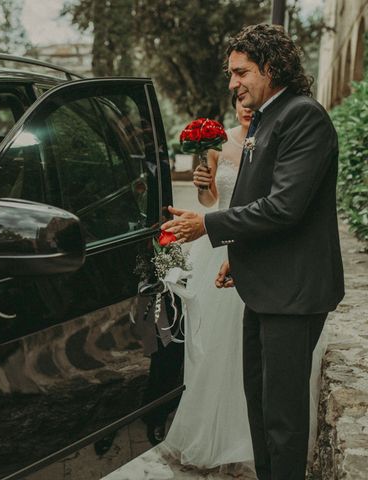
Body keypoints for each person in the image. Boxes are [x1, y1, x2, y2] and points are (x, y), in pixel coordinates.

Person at [161, 24, 344, 480]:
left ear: (272, 66)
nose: (232, 84)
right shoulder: (265, 117)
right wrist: (238, 257)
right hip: (264, 286)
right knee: (260, 408)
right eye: (231, 74)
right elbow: (250, 195)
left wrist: (207, 225)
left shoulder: (303, 116)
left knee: (282, 419)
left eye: (241, 72)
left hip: (294, 293)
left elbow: (284, 207)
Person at [156, 95, 255, 471]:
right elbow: (212, 199)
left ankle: (248, 439)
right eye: (239, 101)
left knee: (248, 348)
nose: (246, 107)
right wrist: (201, 185)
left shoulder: (268, 140)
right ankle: (214, 437)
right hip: (219, 245)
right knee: (215, 346)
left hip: (254, 246)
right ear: (233, 106)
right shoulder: (218, 146)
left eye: (250, 99)